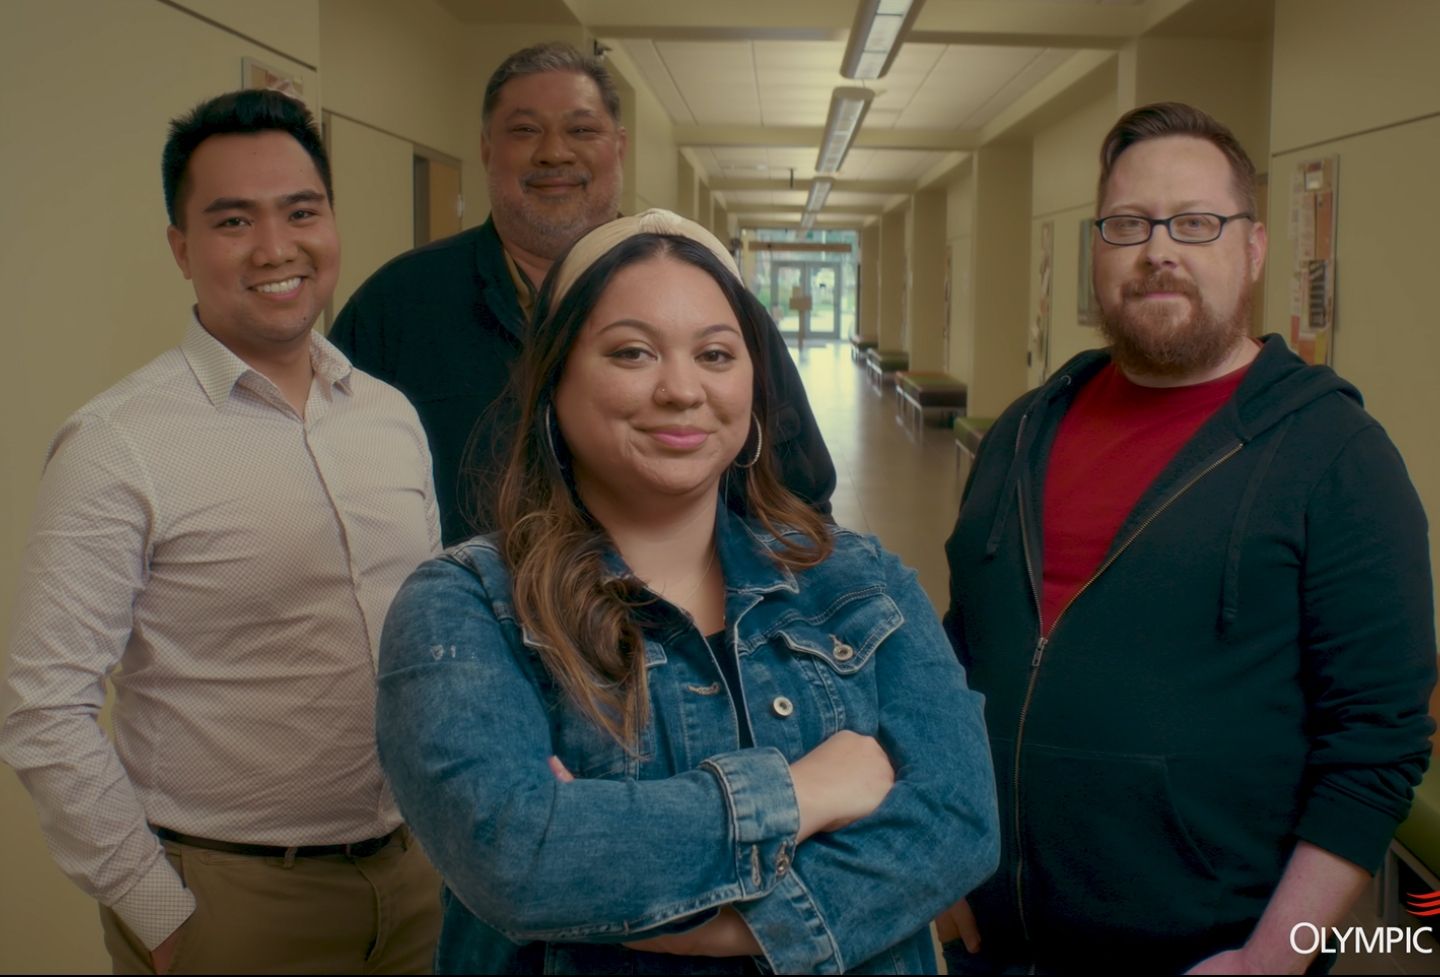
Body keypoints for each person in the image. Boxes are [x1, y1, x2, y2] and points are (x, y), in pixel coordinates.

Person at [375, 209, 999, 974]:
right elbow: (517, 853)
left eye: (714, 353)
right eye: (632, 352)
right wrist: (804, 792)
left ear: (753, 383)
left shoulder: (858, 581)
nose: (681, 389)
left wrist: (741, 926)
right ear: (553, 380)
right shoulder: (465, 607)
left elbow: (962, 818)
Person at [938, 101, 1435, 974]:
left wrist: (1269, 960)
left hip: (1207, 959)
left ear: (1252, 248)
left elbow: (1377, 746)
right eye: (1128, 223)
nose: (1158, 249)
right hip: (996, 946)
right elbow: (950, 670)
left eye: (1196, 222)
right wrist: (935, 857)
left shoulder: (1336, 458)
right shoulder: (1021, 434)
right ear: (1098, 247)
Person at [0, 90, 443, 974]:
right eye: (233, 220)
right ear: (182, 248)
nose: (277, 248)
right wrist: (160, 915)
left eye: (301, 211)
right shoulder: (118, 443)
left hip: (417, 875)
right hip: (232, 904)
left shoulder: (389, 415)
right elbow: (42, 708)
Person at [329, 41, 835, 546]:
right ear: (486, 147)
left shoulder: (714, 303)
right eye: (525, 130)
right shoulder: (396, 307)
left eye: (581, 130)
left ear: (619, 145)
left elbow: (800, 500)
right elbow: (333, 496)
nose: (554, 152)